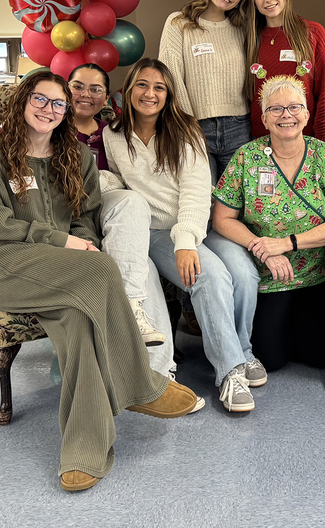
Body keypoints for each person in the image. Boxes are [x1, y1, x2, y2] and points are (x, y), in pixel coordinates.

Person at [0, 72, 201, 492]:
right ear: (23, 101)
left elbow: (87, 220)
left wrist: (79, 244)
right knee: (103, 269)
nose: (49, 109)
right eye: (40, 99)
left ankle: (83, 451)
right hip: (3, 266)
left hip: (59, 272)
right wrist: (62, 242)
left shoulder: (76, 157)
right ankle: (142, 384)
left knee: (78, 322)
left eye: (58, 103)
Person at [103, 59, 263, 413]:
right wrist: (104, 185)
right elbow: (118, 178)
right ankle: (230, 372)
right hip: (158, 232)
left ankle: (243, 351)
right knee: (210, 276)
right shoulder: (112, 134)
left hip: (197, 223)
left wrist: (188, 242)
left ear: (168, 94)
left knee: (244, 272)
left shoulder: (185, 129)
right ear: (129, 89)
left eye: (159, 87)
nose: (150, 93)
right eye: (142, 85)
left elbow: (194, 189)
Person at [209, 75, 325, 371]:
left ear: (306, 114)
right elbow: (222, 219)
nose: (286, 115)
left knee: (316, 357)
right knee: (272, 359)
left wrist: (286, 244)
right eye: (276, 109)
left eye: (294, 107)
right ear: (264, 119)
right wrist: (262, 247)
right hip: (268, 275)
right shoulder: (246, 158)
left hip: (315, 272)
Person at [67, 63, 173, 371]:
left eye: (96, 89)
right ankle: (156, 371)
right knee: (144, 270)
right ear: (65, 87)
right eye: (78, 86)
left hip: (112, 216)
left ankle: (159, 371)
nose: (86, 95)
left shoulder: (111, 133)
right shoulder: (48, 121)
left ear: (107, 96)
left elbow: (126, 180)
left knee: (132, 208)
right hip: (64, 217)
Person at [158, 0, 252, 183]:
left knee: (237, 205)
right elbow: (170, 78)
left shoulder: (242, 31)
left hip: (239, 128)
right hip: (194, 126)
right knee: (202, 203)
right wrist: (187, 126)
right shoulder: (178, 23)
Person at [245, 0, 325, 143]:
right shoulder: (250, 40)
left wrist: (322, 143)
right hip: (261, 141)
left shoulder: (312, 33)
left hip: (304, 140)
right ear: (253, 2)